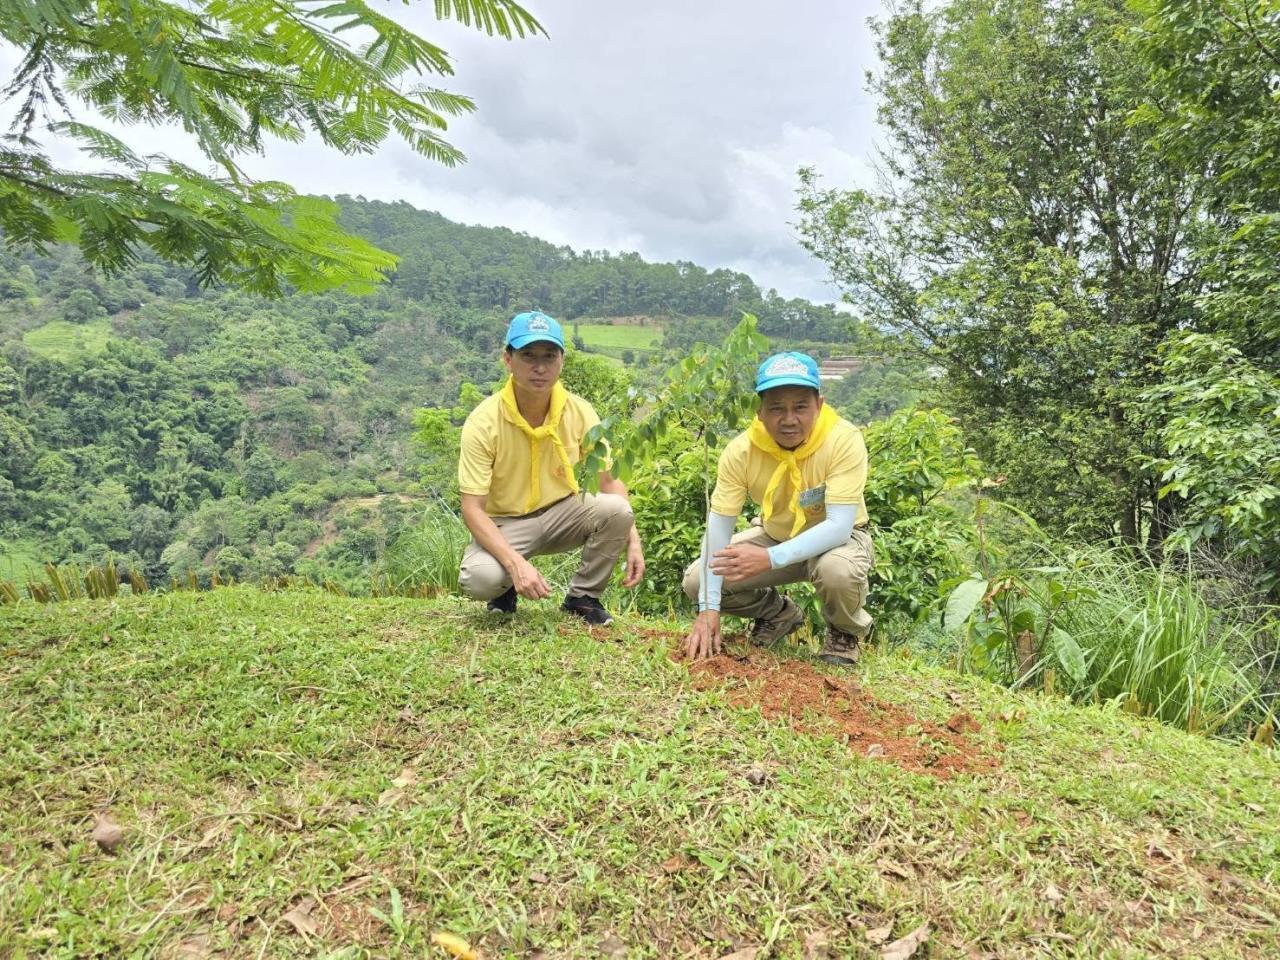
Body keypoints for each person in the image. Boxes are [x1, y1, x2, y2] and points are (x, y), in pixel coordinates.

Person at [681, 351, 874, 665]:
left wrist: (770, 558)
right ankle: (779, 613)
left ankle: (843, 632)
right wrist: (708, 608)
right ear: (759, 412)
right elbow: (719, 527)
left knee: (837, 571)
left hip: (840, 541)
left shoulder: (843, 440)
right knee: (697, 581)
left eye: (800, 407)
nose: (789, 419)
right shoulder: (741, 451)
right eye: (776, 408)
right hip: (774, 536)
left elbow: (839, 526)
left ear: (819, 405)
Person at [457, 311, 645, 626]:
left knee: (618, 511)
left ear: (561, 360)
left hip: (564, 513)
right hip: (506, 524)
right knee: (480, 579)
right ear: (508, 359)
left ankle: (582, 597)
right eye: (528, 355)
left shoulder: (580, 411)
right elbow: (472, 508)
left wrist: (634, 540)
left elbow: (609, 482)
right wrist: (516, 565)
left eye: (549, 356)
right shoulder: (484, 421)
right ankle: (504, 588)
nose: (540, 367)